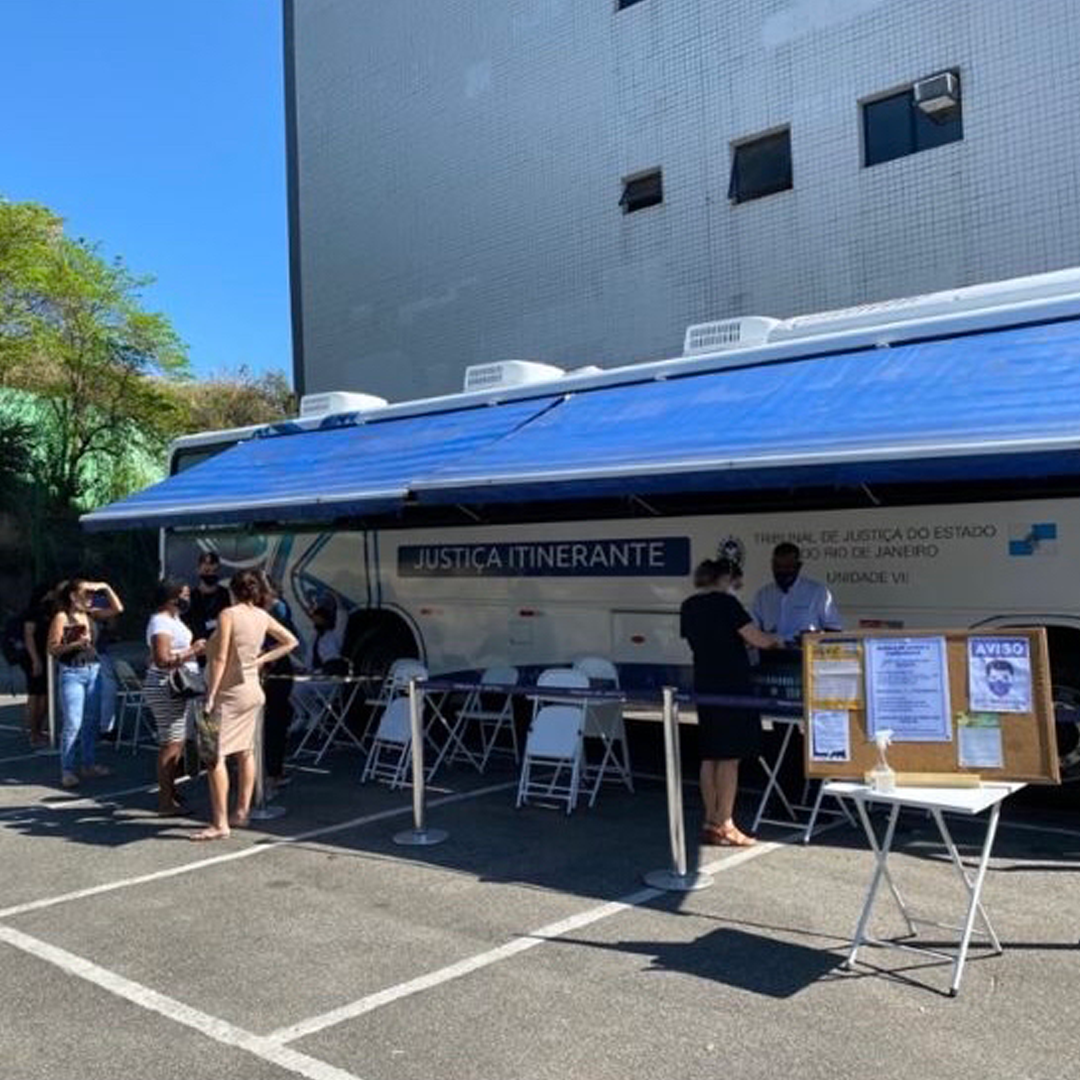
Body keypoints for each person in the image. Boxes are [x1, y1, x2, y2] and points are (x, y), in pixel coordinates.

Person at [680, 558, 781, 847]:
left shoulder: (689, 606)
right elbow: (757, 639)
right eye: (735, 581)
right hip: (732, 685)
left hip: (705, 683)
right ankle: (726, 822)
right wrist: (776, 640)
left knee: (709, 754)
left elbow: (704, 640)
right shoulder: (727, 605)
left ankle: (710, 819)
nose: (737, 586)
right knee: (729, 757)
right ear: (724, 578)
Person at [193, 570, 297, 841]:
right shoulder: (261, 615)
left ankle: (220, 822)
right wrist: (261, 659)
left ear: (232, 591)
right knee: (246, 751)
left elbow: (221, 657)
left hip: (228, 693)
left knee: (216, 757)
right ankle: (241, 812)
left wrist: (211, 694)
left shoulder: (228, 614)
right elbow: (290, 641)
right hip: (252, 689)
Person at [47, 577, 124, 789]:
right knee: (73, 722)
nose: (91, 597)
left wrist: (105, 587)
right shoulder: (62, 617)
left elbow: (118, 608)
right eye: (86, 594)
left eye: (91, 594)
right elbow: (53, 649)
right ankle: (67, 769)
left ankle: (88, 763)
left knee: (91, 720)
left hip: (93, 669)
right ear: (73, 596)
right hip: (72, 672)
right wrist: (74, 644)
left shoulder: (90, 614)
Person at [142, 579, 207, 814]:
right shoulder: (160, 621)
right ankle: (166, 802)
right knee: (172, 744)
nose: (187, 598)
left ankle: (169, 792)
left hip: (177, 686)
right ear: (172, 597)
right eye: (184, 594)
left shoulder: (173, 619)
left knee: (175, 742)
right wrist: (193, 651)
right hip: (167, 685)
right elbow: (162, 659)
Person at [751, 542, 842, 645]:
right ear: (772, 565)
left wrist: (813, 636)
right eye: (778, 566)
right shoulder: (763, 595)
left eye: (788, 567)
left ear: (798, 566)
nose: (782, 571)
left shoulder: (817, 592)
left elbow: (834, 630)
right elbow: (752, 631)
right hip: (771, 654)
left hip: (804, 654)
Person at [260, 575, 297, 791]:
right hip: (271, 667)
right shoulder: (274, 608)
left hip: (270, 667)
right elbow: (289, 639)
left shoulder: (275, 608)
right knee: (274, 721)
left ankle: (272, 770)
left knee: (274, 720)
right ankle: (271, 772)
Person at [18, 583, 53, 748]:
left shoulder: (49, 611)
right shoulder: (33, 613)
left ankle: (39, 729)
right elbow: (28, 636)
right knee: (36, 695)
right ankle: (34, 732)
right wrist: (35, 660)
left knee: (45, 696)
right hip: (34, 657)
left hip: (47, 657)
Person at [185, 550, 231, 651]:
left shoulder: (226, 595)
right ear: (198, 570)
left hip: (221, 648)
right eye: (206, 571)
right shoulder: (191, 597)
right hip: (198, 651)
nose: (210, 574)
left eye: (214, 571)